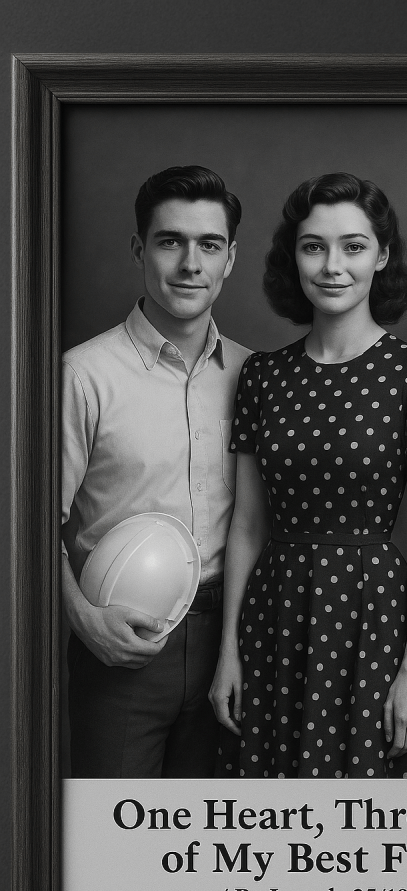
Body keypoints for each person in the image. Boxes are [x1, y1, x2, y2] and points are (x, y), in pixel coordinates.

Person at [209, 172, 407, 778]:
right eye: (313, 246)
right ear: (292, 258)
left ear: (382, 259)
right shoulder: (262, 377)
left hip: (373, 619)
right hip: (275, 617)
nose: (332, 265)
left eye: (353, 246)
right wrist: (228, 654)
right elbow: (246, 525)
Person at [62, 165, 251, 778]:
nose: (190, 263)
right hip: (123, 644)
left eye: (210, 245)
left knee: (209, 851)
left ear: (230, 261)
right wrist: (85, 621)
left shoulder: (257, 377)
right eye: (171, 242)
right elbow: (27, 526)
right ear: (140, 249)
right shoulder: (82, 375)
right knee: (117, 848)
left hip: (233, 648)